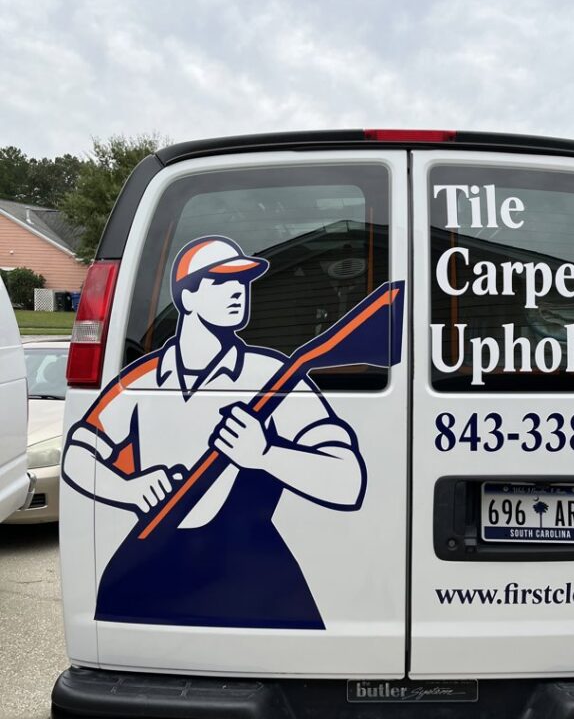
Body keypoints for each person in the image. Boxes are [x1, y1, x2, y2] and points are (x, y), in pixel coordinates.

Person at [62, 236, 366, 629]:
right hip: (148, 568)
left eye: (242, 282)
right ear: (186, 298)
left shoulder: (274, 375)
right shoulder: (141, 379)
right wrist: (127, 489)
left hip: (256, 576)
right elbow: (77, 453)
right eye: (221, 282)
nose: (238, 292)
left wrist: (266, 453)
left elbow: (349, 479)